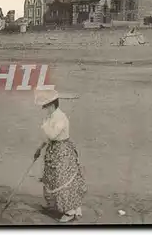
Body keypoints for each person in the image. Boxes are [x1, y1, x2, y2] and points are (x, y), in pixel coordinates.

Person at [33, 89, 87, 222]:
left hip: (63, 151)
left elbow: (52, 135)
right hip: (54, 150)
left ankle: (70, 212)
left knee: (63, 180)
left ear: (51, 105)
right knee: (53, 179)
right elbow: (48, 139)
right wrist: (39, 148)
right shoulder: (51, 117)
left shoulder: (60, 117)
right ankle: (60, 207)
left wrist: (44, 125)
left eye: (45, 106)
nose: (44, 109)